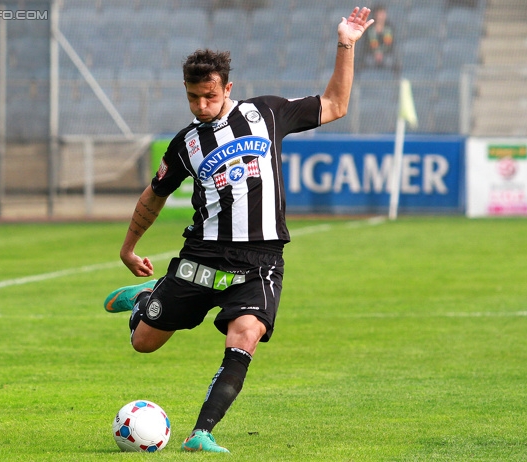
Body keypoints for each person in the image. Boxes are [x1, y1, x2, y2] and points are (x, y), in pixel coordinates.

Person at [103, 6, 373, 453]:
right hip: (201, 256)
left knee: (245, 333)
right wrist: (129, 247)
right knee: (143, 343)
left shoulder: (266, 113)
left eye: (209, 96)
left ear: (228, 88)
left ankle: (201, 433)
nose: (201, 106)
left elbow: (336, 105)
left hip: (260, 260)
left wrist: (345, 42)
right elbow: (154, 195)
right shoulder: (185, 144)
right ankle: (151, 296)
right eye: (192, 97)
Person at [362, 4, 396, 71]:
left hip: (386, 54)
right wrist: (376, 53)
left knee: (390, 61)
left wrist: (381, 53)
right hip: (371, 55)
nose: (381, 16)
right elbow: (367, 44)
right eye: (379, 14)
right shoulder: (369, 29)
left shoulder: (389, 28)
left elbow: (389, 44)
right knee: (368, 61)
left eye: (383, 13)